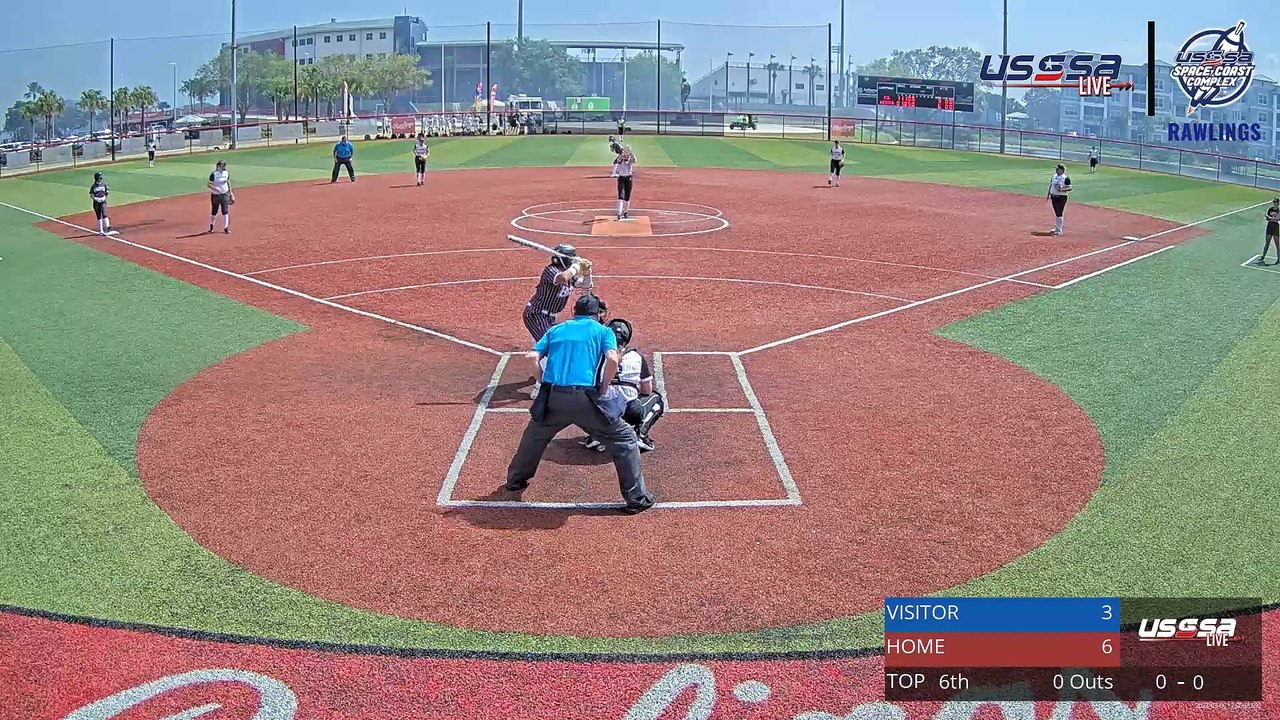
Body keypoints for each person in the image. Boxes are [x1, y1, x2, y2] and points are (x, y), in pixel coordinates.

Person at [506, 293, 656, 514]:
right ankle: (636, 498)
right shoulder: (603, 331)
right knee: (624, 439)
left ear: (574, 312)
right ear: (597, 315)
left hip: (554, 398)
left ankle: (515, 480)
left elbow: (531, 357)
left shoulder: (556, 329)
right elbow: (613, 359)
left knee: (534, 436)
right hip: (586, 398)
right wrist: (604, 386)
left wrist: (542, 381)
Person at [582, 318, 664, 453]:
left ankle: (597, 435)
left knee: (583, 397)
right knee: (657, 399)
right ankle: (640, 435)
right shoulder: (636, 356)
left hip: (600, 411)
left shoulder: (596, 355)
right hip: (629, 410)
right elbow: (646, 390)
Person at [207, 159, 233, 234]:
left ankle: (226, 228)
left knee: (225, 211)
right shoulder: (214, 174)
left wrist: (231, 193)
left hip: (224, 194)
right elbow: (209, 184)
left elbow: (228, 182)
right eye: (222, 166)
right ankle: (211, 226)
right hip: (215, 195)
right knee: (214, 211)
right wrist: (215, 189)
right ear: (218, 166)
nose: (224, 168)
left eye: (224, 166)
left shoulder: (226, 173)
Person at [1047, 163, 1072, 236]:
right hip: (1053, 196)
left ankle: (1059, 230)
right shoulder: (1054, 176)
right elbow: (1051, 185)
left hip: (1061, 197)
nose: (1056, 170)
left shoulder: (1066, 178)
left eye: (1057, 169)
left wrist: (1060, 189)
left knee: (1059, 212)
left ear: (1061, 170)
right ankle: (1057, 227)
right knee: (1057, 213)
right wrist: (1048, 194)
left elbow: (1069, 188)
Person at [89, 172, 117, 236]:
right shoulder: (93, 186)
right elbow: (91, 195)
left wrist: (105, 197)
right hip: (96, 202)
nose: (100, 179)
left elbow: (107, 192)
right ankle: (100, 230)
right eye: (99, 178)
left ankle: (108, 227)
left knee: (104, 213)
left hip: (103, 201)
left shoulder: (104, 184)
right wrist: (96, 199)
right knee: (99, 215)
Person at [615, 148, 636, 220]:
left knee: (627, 196)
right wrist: (622, 154)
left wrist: (631, 153)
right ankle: (619, 212)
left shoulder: (630, 161)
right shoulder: (620, 160)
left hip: (628, 178)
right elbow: (618, 160)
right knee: (621, 195)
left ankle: (626, 212)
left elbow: (635, 160)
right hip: (621, 178)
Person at [1259, 198, 1280, 265]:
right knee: (1267, 243)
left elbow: (1277, 219)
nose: (1274, 203)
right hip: (1269, 227)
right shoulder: (1270, 209)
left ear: (1278, 203)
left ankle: (1279, 259)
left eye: (1275, 202)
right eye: (1273, 202)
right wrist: (1271, 219)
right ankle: (1263, 256)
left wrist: (1270, 219)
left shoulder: (1279, 210)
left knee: (1277, 245)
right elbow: (1267, 216)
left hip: (1275, 227)